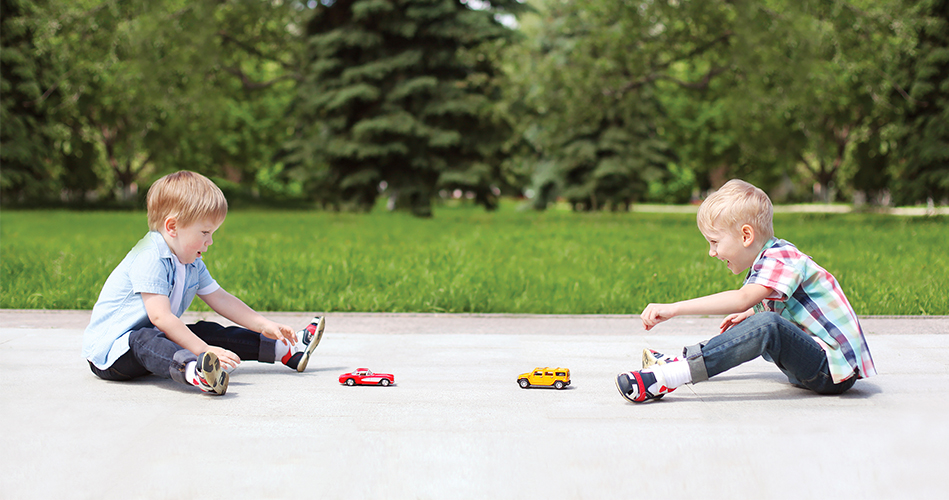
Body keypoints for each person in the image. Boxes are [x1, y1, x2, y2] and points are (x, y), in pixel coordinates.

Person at [616, 179, 876, 403]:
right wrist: (754, 312)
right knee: (761, 321)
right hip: (818, 365)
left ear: (746, 235)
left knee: (768, 325)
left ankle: (670, 376)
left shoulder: (781, 256)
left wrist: (674, 308)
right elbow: (784, 303)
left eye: (715, 242)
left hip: (832, 370)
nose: (712, 252)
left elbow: (741, 299)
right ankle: (680, 362)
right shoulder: (768, 261)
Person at [82, 170, 325, 396]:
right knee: (145, 337)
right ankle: (196, 371)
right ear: (173, 227)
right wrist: (202, 351)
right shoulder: (149, 256)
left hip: (155, 344)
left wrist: (264, 324)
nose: (210, 242)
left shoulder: (191, 263)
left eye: (213, 234)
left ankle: (286, 350)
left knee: (204, 331)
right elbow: (161, 318)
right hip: (113, 356)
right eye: (204, 233)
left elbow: (221, 299)